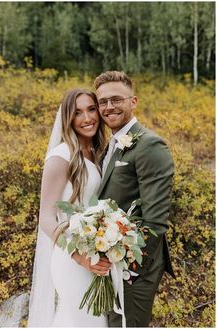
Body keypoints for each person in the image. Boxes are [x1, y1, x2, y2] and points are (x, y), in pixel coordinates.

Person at [94, 71, 175, 327]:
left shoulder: (150, 145)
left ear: (133, 101)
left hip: (135, 268)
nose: (109, 107)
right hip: (110, 263)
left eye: (116, 99)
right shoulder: (113, 143)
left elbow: (156, 222)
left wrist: (130, 271)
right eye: (103, 102)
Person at [28, 88, 111, 327]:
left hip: (96, 257)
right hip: (72, 259)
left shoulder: (96, 152)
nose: (87, 118)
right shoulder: (60, 156)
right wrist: (79, 256)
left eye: (91, 109)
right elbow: (46, 217)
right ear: (68, 119)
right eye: (78, 113)